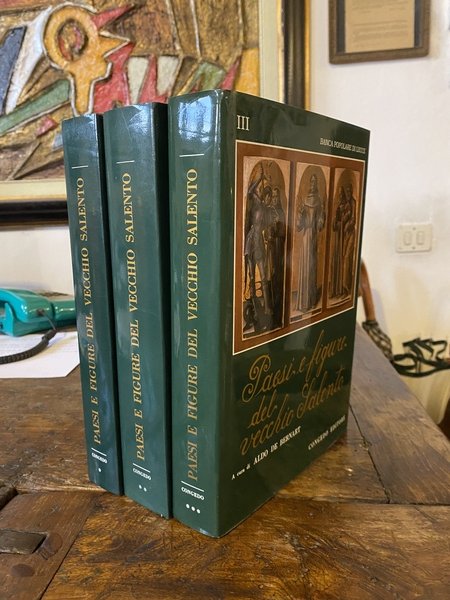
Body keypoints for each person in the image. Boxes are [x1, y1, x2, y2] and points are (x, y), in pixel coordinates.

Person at [295, 173, 325, 312]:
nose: (313, 184)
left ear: (316, 184)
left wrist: (322, 214)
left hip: (313, 238)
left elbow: (320, 225)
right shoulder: (305, 200)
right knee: (305, 267)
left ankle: (311, 300)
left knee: (312, 268)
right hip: (306, 237)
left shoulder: (318, 201)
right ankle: (303, 303)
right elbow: (299, 226)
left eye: (315, 181)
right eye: (311, 181)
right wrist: (300, 214)